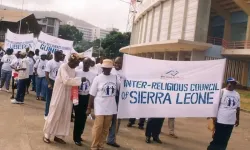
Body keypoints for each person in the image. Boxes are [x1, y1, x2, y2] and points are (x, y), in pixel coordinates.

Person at [43, 53, 83, 144]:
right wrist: (80, 80)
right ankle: (47, 135)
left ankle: (58, 136)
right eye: (77, 63)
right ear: (72, 61)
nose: (78, 65)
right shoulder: (63, 67)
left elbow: (72, 82)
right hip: (60, 92)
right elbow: (66, 80)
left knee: (65, 114)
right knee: (55, 112)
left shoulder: (73, 69)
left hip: (68, 94)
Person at [86, 59, 118, 150]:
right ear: (102, 68)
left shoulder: (115, 78)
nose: (106, 70)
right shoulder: (98, 78)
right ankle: (94, 146)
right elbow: (92, 94)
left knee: (106, 128)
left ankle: (101, 145)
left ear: (111, 69)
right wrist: (89, 107)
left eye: (108, 68)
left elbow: (122, 88)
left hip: (111, 106)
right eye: (105, 68)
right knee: (98, 126)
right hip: (100, 106)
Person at [207, 77, 240, 150]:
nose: (234, 85)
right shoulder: (221, 92)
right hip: (220, 120)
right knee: (217, 138)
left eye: (235, 84)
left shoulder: (237, 94)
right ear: (228, 84)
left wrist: (237, 119)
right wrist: (213, 116)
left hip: (231, 121)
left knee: (225, 139)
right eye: (232, 83)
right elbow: (215, 105)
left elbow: (238, 108)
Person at [73, 57, 96, 146]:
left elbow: (93, 89)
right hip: (77, 97)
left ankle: (79, 134)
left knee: (84, 117)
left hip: (87, 98)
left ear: (90, 64)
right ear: (82, 63)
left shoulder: (93, 75)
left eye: (88, 63)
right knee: (78, 118)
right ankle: (76, 137)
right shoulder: (77, 72)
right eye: (85, 63)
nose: (86, 65)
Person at [107, 57, 123, 148]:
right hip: (109, 98)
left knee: (116, 120)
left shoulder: (125, 73)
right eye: (116, 63)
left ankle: (111, 139)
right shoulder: (110, 71)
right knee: (106, 119)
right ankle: (102, 138)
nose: (117, 64)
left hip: (120, 99)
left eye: (119, 63)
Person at [44, 51, 63, 119]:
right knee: (49, 99)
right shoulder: (50, 62)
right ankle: (46, 114)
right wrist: (49, 83)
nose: (61, 56)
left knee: (56, 99)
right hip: (51, 81)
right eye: (60, 55)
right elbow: (46, 74)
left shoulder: (61, 63)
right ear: (56, 55)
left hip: (58, 83)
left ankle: (53, 114)